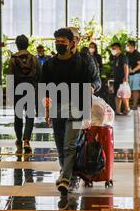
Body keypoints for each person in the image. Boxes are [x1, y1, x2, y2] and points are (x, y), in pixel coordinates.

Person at [41, 28, 100, 195]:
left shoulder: (83, 62)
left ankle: (67, 178)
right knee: (61, 147)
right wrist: (47, 110)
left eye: (63, 42)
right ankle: (66, 174)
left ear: (72, 42)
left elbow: (96, 81)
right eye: (57, 42)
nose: (59, 45)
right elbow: (45, 90)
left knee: (70, 145)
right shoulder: (49, 64)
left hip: (77, 107)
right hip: (57, 108)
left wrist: (92, 87)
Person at [8, 35, 40, 154]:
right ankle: (26, 140)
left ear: (17, 45)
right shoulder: (34, 59)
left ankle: (19, 140)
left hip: (17, 90)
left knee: (18, 116)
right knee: (30, 116)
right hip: (31, 89)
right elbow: (40, 75)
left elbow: (10, 77)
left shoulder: (13, 59)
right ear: (27, 44)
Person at [110, 42, 130, 115]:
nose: (113, 50)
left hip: (122, 79)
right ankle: (118, 110)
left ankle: (127, 108)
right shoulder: (116, 57)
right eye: (112, 49)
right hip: (117, 79)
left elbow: (126, 67)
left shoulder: (123, 56)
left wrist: (126, 77)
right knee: (117, 95)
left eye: (114, 49)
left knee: (123, 94)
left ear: (118, 48)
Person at [126, 40, 140, 110]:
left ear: (134, 47)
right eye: (128, 46)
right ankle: (128, 105)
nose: (128, 47)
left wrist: (133, 70)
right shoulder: (127, 53)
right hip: (129, 74)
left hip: (136, 73)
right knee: (128, 89)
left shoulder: (137, 54)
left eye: (130, 46)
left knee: (135, 89)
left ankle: (134, 105)